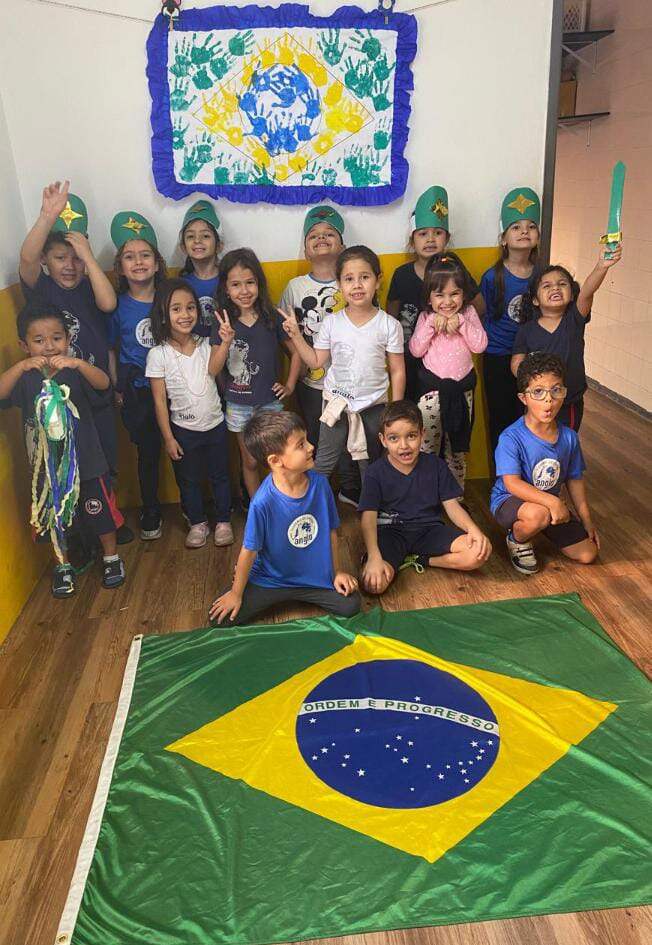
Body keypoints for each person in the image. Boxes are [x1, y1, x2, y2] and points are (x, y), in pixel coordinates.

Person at [18, 181, 132, 541]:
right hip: (58, 400)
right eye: (60, 258)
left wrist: (88, 256)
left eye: (75, 258)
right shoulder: (42, 290)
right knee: (68, 465)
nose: (69, 265)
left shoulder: (90, 285)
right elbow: (26, 260)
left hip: (94, 391)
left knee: (105, 461)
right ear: (46, 261)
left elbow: (108, 304)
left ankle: (109, 522)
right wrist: (47, 216)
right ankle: (81, 535)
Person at [0, 302, 126, 596]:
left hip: (88, 462)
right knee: (54, 520)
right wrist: (19, 366)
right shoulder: (26, 378)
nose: (49, 346)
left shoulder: (74, 370)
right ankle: (63, 565)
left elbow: (103, 384)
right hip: (47, 471)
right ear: (24, 345)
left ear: (68, 340)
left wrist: (79, 364)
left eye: (56, 338)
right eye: (38, 340)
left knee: (100, 512)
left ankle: (111, 558)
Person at [209, 410, 360, 625]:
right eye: (301, 444)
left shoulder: (320, 485)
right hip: (271, 580)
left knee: (350, 604)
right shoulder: (262, 502)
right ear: (276, 460)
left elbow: (331, 532)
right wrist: (236, 593)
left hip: (314, 579)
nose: (311, 447)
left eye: (307, 440)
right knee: (220, 619)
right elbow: (249, 551)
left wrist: (337, 573)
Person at [282, 245, 406, 482]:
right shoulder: (331, 323)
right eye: (349, 279)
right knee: (325, 460)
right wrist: (296, 336)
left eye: (364, 277)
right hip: (336, 403)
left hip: (374, 406)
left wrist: (396, 408)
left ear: (378, 281)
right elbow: (316, 361)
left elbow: (397, 370)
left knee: (371, 464)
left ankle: (370, 503)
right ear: (339, 284)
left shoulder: (389, 325)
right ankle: (314, 501)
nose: (357, 285)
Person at [359, 400, 491, 594]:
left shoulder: (436, 466)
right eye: (394, 438)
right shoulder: (374, 473)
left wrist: (474, 530)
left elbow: (453, 507)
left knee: (477, 554)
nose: (404, 446)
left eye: (411, 436)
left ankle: (421, 559)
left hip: (429, 530)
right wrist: (374, 556)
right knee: (374, 585)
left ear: (422, 434)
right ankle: (385, 560)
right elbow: (368, 517)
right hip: (391, 533)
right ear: (383, 440)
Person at [279, 205, 360, 507]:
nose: (321, 238)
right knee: (315, 437)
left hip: (350, 380)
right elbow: (284, 331)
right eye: (313, 235)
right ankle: (315, 491)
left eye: (329, 234)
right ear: (305, 248)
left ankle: (350, 488)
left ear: (342, 245)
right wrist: (297, 361)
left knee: (351, 435)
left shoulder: (352, 282)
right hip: (312, 382)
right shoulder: (295, 287)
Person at [490, 352, 599, 575]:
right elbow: (512, 484)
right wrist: (553, 502)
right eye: (538, 392)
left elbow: (575, 480)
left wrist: (587, 520)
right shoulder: (511, 437)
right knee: (539, 515)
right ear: (524, 398)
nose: (548, 400)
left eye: (556, 390)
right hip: (509, 500)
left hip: (547, 505)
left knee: (588, 554)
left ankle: (541, 523)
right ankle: (517, 539)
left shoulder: (569, 437)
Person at [146, 278, 233, 549]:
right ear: (163, 314)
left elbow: (215, 370)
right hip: (183, 431)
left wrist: (225, 343)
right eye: (176, 309)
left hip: (215, 424)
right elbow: (159, 402)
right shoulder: (158, 354)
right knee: (189, 481)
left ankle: (223, 521)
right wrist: (168, 438)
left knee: (220, 475)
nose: (185, 314)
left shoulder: (206, 343)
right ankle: (197, 522)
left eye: (190, 307)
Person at [212, 248, 302, 501]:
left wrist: (290, 385)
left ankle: (282, 503)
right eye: (236, 284)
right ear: (226, 288)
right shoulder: (222, 322)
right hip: (238, 405)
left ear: (259, 284)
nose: (244, 290)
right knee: (250, 461)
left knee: (278, 459)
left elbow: (296, 353)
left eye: (250, 282)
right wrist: (226, 342)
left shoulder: (271, 317)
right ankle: (256, 508)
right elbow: (213, 369)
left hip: (269, 402)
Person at [511, 240, 622, 431]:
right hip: (538, 401)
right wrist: (532, 379)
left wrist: (601, 266)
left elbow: (587, 292)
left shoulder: (574, 320)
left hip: (569, 401)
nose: (555, 288)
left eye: (562, 284)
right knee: (538, 439)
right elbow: (516, 362)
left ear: (571, 295)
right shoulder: (526, 330)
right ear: (535, 300)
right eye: (546, 286)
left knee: (565, 441)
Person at [387, 186, 484, 402]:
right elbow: (391, 313)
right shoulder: (402, 275)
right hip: (409, 356)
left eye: (437, 233)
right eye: (423, 234)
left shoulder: (457, 271)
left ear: (446, 239)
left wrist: (458, 320)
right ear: (412, 240)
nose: (430, 239)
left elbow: (479, 305)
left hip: (449, 364)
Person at [109, 210, 168, 540]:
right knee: (148, 453)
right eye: (129, 257)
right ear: (120, 267)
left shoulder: (171, 298)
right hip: (138, 390)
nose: (138, 262)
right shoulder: (116, 306)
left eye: (145, 255)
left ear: (157, 263)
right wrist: (118, 386)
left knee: (186, 444)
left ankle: (196, 507)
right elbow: (112, 348)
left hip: (174, 386)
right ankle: (151, 507)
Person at [408, 254, 487, 488]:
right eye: (439, 295)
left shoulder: (468, 314)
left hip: (462, 393)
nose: (448, 301)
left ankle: (455, 494)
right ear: (429, 297)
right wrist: (431, 325)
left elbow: (480, 345)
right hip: (431, 394)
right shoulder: (426, 317)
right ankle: (426, 492)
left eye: (454, 294)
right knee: (427, 445)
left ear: (463, 294)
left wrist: (462, 323)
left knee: (457, 448)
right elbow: (415, 350)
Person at [480, 187, 540, 452]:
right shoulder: (493, 277)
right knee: (501, 419)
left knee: (530, 417)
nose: (524, 231)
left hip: (533, 356)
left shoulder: (542, 275)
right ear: (503, 238)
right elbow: (481, 314)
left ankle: (528, 468)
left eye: (531, 226)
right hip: (499, 356)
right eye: (516, 227)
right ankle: (503, 473)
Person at [178, 200, 221, 337]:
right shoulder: (180, 285)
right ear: (183, 247)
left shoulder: (228, 280)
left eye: (205, 236)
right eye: (190, 236)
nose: (197, 241)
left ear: (219, 246)